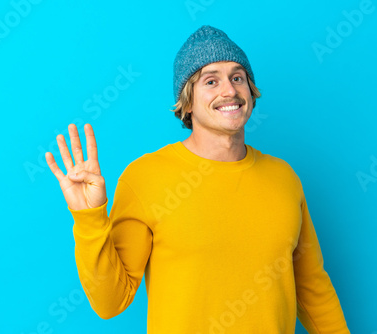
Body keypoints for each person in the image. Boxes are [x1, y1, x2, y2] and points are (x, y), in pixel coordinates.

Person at [45, 25, 350, 334]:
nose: (229, 91)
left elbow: (312, 287)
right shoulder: (146, 177)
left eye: (237, 77)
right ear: (187, 102)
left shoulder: (284, 178)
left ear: (250, 91)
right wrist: (89, 219)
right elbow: (111, 302)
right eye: (211, 80)